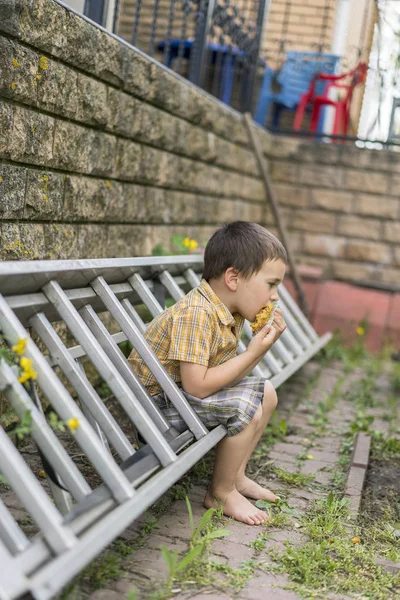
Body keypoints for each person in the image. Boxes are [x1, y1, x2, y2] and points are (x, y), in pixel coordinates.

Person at [128, 221, 287, 525]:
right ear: (233, 278)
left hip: (179, 397)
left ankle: (236, 478)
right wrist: (253, 353)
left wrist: (257, 352)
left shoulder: (231, 312)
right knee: (246, 405)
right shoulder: (196, 314)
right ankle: (221, 492)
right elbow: (197, 387)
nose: (276, 296)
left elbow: (224, 375)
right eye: (271, 284)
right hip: (156, 410)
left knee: (266, 394)